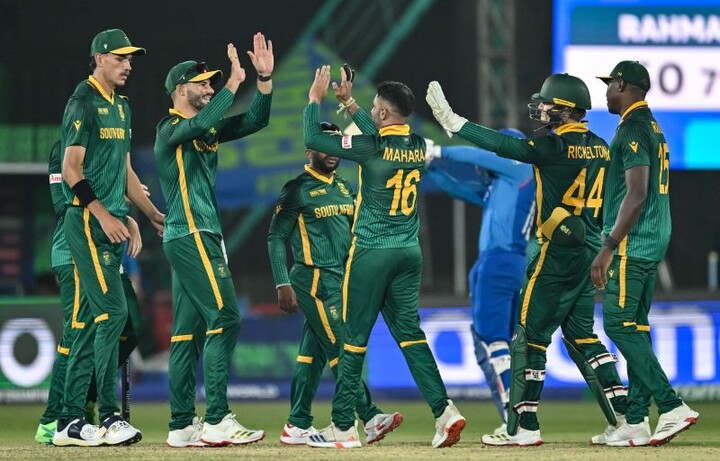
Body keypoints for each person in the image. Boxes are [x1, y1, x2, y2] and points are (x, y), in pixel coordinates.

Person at [426, 74, 628, 446]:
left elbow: (502, 145)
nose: (542, 109)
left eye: (548, 104)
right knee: (584, 337)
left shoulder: (552, 146)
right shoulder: (600, 146)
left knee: (528, 339)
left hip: (556, 251)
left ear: (564, 109)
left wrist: (455, 124)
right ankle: (625, 417)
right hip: (588, 249)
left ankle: (523, 426)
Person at [303, 66, 466, 449]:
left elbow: (313, 138)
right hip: (408, 253)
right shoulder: (418, 145)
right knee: (410, 334)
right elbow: (380, 135)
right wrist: (349, 103)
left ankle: (343, 426)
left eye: (374, 107)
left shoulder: (370, 147)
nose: (372, 111)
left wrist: (314, 100)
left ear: (382, 113)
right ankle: (445, 412)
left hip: (372, 253)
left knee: (353, 339)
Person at [155, 34, 273, 448]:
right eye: (202, 83)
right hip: (191, 234)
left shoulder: (206, 128)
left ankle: (181, 425)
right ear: (179, 89)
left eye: (212, 83)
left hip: (197, 235)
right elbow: (197, 125)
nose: (209, 88)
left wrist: (262, 80)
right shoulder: (169, 128)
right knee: (226, 317)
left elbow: (255, 121)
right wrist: (233, 83)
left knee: (187, 334)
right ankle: (218, 418)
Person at [53, 28, 164, 447]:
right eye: (120, 57)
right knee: (113, 315)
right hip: (87, 222)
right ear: (99, 58)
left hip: (110, 224)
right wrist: (103, 215)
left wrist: (149, 214)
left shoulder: (122, 106)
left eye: (130, 58)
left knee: (87, 323)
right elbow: (71, 171)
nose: (128, 64)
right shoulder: (82, 101)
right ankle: (110, 415)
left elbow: (125, 171)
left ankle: (68, 421)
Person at [267, 122, 402, 446]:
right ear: (308, 150)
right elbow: (276, 236)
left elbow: (355, 234)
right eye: (324, 145)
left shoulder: (343, 187)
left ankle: (297, 423)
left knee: (312, 354)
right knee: (342, 348)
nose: (332, 152)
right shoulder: (297, 188)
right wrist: (282, 282)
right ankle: (369, 416)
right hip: (313, 280)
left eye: (336, 144)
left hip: (341, 280)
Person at [591, 60, 699, 446]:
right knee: (635, 327)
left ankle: (671, 405)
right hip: (653, 240)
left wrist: (608, 246)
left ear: (622, 85)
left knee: (618, 324)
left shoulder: (634, 129)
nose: (606, 92)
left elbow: (636, 194)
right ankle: (635, 420)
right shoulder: (651, 126)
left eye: (609, 85)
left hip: (632, 243)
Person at [424, 132, 536, 432]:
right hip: (511, 263)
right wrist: (429, 168)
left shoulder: (519, 166)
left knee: (491, 343)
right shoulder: (504, 185)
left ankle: (515, 423)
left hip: (498, 262)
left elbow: (478, 156)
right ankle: (520, 419)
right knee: (506, 344)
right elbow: (457, 188)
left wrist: (437, 150)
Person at [35, 142, 145, 444]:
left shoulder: (108, 144)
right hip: (73, 251)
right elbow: (64, 204)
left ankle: (85, 398)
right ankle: (55, 418)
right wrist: (118, 212)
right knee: (77, 332)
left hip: (106, 248)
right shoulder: (64, 148)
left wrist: (125, 207)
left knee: (130, 327)